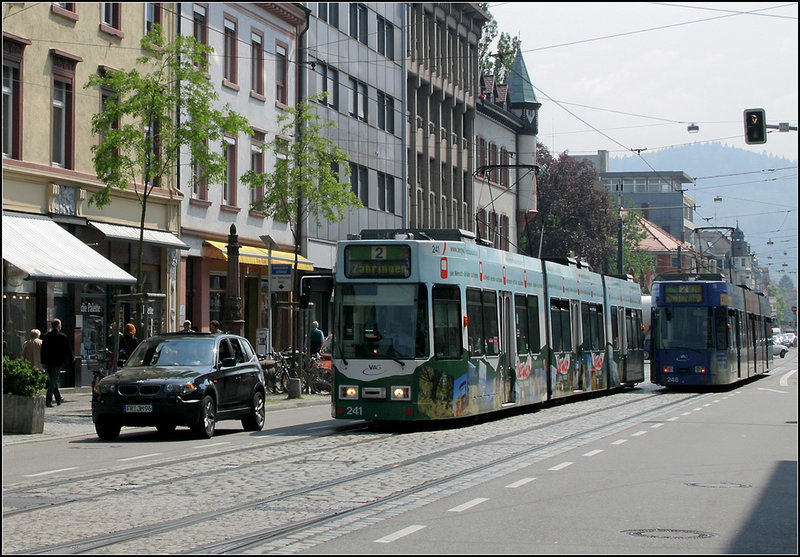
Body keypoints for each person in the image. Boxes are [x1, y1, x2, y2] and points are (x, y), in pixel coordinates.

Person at [40, 318, 73, 407]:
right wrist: (71, 357)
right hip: (58, 361)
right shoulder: (62, 336)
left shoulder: (46, 336)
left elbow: (43, 350)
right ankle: (48, 399)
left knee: (53, 379)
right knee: (53, 381)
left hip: (48, 361)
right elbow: (68, 348)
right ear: (58, 326)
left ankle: (58, 398)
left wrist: (43, 362)